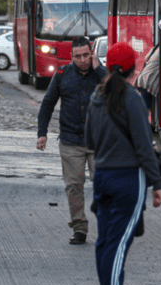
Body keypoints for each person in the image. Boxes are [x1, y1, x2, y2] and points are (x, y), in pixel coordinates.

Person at [84, 42, 161, 285]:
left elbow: (89, 141)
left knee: (105, 242)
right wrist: (157, 183)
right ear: (133, 68)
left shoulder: (96, 96)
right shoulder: (132, 98)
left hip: (102, 176)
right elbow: (144, 146)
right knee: (118, 244)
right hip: (128, 178)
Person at [37, 36, 108, 245]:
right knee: (74, 186)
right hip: (70, 141)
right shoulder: (62, 74)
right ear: (71, 57)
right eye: (78, 56)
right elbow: (48, 103)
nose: (83, 60)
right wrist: (42, 132)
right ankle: (79, 229)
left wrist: (99, 68)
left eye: (86, 55)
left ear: (92, 53)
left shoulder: (103, 74)